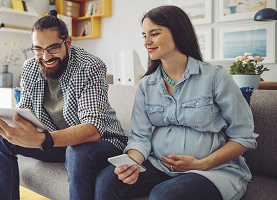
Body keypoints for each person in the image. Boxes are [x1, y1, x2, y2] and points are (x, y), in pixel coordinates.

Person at [0, 10, 127, 200]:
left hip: (102, 143)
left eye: (53, 47)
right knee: (0, 140)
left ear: (68, 42)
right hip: (58, 141)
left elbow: (92, 130)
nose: (46, 57)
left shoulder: (89, 66)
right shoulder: (31, 67)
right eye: (38, 49)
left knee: (77, 151)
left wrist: (43, 140)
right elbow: (20, 119)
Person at [95, 5, 258, 200]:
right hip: (159, 165)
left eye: (154, 34)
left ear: (178, 32)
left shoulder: (215, 76)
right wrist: (132, 163)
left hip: (212, 170)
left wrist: (202, 163)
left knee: (164, 195)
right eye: (144, 35)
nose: (147, 42)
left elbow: (244, 137)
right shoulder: (146, 85)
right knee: (107, 181)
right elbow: (140, 137)